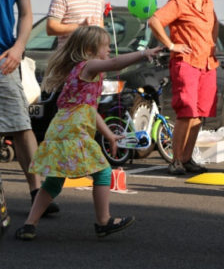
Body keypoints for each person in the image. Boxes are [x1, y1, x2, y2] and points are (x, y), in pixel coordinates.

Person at [15, 26, 162, 240]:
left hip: (60, 128)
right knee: (103, 172)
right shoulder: (89, 66)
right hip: (75, 129)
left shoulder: (79, 70)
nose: (110, 50)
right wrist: (142, 53)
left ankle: (29, 225)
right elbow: (114, 64)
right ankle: (103, 221)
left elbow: (90, 111)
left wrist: (109, 135)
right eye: (107, 46)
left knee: (54, 180)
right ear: (92, 49)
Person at [0, 0, 58, 215]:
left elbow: (26, 14)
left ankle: (38, 193)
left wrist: (20, 46)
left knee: (21, 125)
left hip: (4, 59)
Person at [148, 0, 218, 175]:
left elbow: (214, 25)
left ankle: (187, 159)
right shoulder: (179, 2)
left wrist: (213, 45)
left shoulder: (208, 3)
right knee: (186, 111)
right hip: (186, 62)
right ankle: (175, 159)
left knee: (199, 114)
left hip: (207, 63)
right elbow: (154, 21)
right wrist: (170, 45)